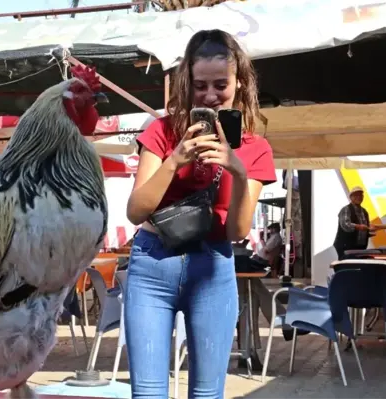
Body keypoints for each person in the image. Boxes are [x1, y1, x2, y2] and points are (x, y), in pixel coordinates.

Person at [124, 29, 276, 398]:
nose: (210, 96)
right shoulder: (161, 131)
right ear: (186, 85)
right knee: (147, 393)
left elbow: (237, 231)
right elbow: (136, 210)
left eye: (220, 85)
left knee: (208, 393)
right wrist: (175, 160)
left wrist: (237, 170)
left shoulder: (255, 147)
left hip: (212, 268)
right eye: (200, 86)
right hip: (152, 265)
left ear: (240, 83)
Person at [333, 186, 373, 260]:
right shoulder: (346, 209)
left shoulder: (364, 211)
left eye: (360, 195)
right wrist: (359, 227)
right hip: (346, 246)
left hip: (360, 247)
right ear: (351, 197)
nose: (359, 197)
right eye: (356, 195)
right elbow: (346, 225)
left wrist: (369, 232)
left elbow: (364, 228)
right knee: (347, 266)